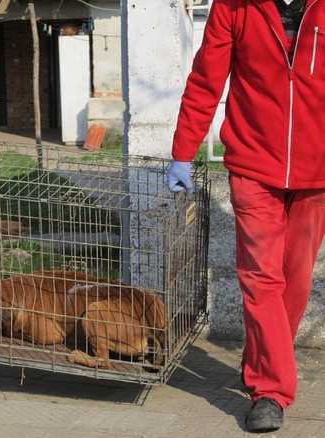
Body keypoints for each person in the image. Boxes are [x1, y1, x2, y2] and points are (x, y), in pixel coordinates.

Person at [167, 0, 325, 432]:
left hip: (318, 171)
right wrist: (183, 151)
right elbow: (205, 81)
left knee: (294, 278)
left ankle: (261, 360)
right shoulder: (234, 7)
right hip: (254, 165)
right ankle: (271, 391)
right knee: (260, 277)